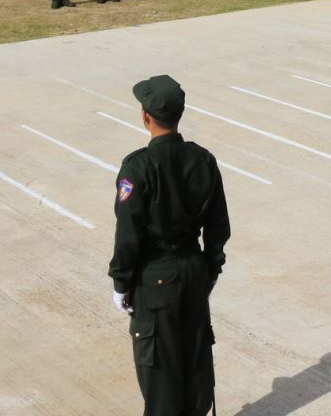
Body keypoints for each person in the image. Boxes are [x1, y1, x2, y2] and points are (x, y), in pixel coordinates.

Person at [109, 75, 230, 416]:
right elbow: (218, 226)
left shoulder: (138, 167)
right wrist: (209, 269)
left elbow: (128, 234)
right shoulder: (203, 160)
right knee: (195, 368)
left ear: (145, 117)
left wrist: (121, 283)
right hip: (193, 272)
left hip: (156, 281)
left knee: (161, 379)